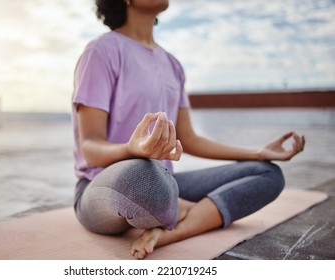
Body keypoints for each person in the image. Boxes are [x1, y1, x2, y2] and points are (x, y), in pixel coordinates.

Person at [71, 0, 305, 260]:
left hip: (163, 181)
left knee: (268, 173)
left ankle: (170, 231)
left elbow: (189, 139)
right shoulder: (101, 51)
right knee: (142, 175)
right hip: (105, 187)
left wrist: (258, 152)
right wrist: (131, 149)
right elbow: (90, 146)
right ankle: (186, 210)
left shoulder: (172, 64)